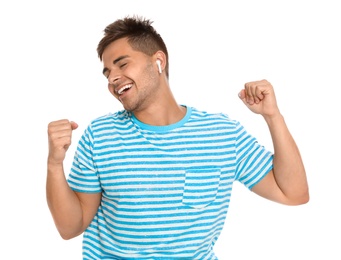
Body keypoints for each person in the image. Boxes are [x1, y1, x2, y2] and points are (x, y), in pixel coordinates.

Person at [46, 15, 309, 259]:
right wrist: (54, 164)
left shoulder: (222, 134)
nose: (113, 78)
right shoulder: (100, 135)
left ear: (158, 61)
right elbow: (71, 227)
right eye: (107, 73)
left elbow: (293, 193)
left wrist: (273, 117)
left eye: (122, 64)